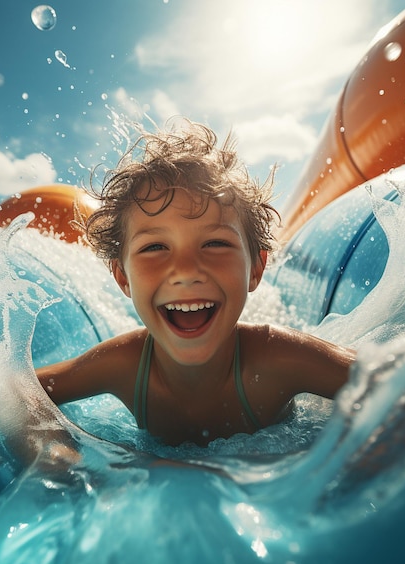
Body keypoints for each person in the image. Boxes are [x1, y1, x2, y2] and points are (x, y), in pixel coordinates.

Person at [35, 120, 356, 448]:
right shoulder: (124, 365)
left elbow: (397, 382)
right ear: (122, 278)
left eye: (215, 243)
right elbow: (21, 391)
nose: (186, 270)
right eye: (155, 247)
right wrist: (55, 456)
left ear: (256, 269)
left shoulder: (279, 359)